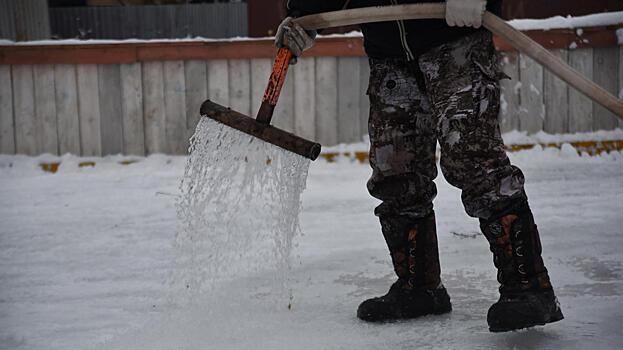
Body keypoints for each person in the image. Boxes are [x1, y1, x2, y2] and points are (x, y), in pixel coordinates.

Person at [275, 0, 563, 332]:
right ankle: (419, 287)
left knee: (473, 160)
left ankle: (529, 287)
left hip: (453, 39)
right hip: (388, 53)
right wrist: (306, 14)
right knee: (396, 170)